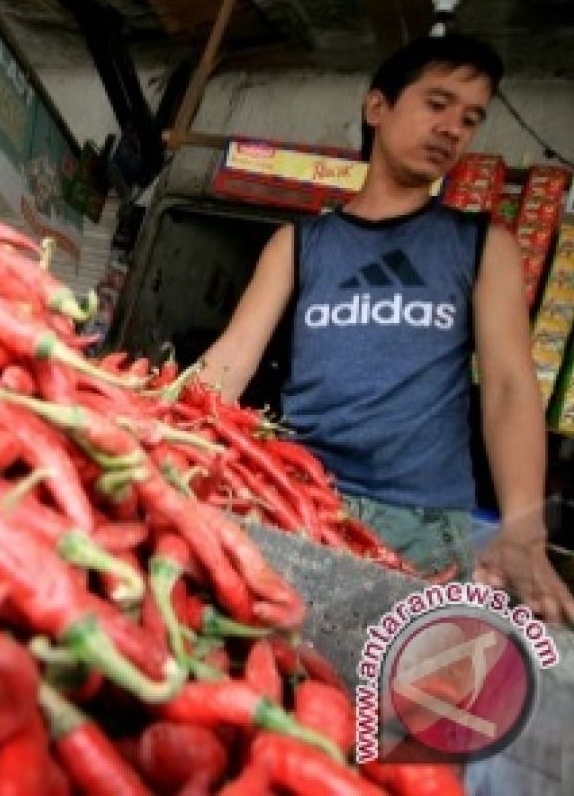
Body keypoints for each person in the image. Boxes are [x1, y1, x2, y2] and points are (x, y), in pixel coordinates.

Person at [197, 33, 574, 625]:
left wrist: (523, 529)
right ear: (378, 108)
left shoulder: (481, 244)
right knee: (284, 675)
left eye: (471, 118)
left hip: (422, 526)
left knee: (391, 702)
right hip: (300, 498)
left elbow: (506, 386)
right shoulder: (299, 245)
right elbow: (230, 361)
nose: (454, 127)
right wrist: (166, 437)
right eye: (437, 102)